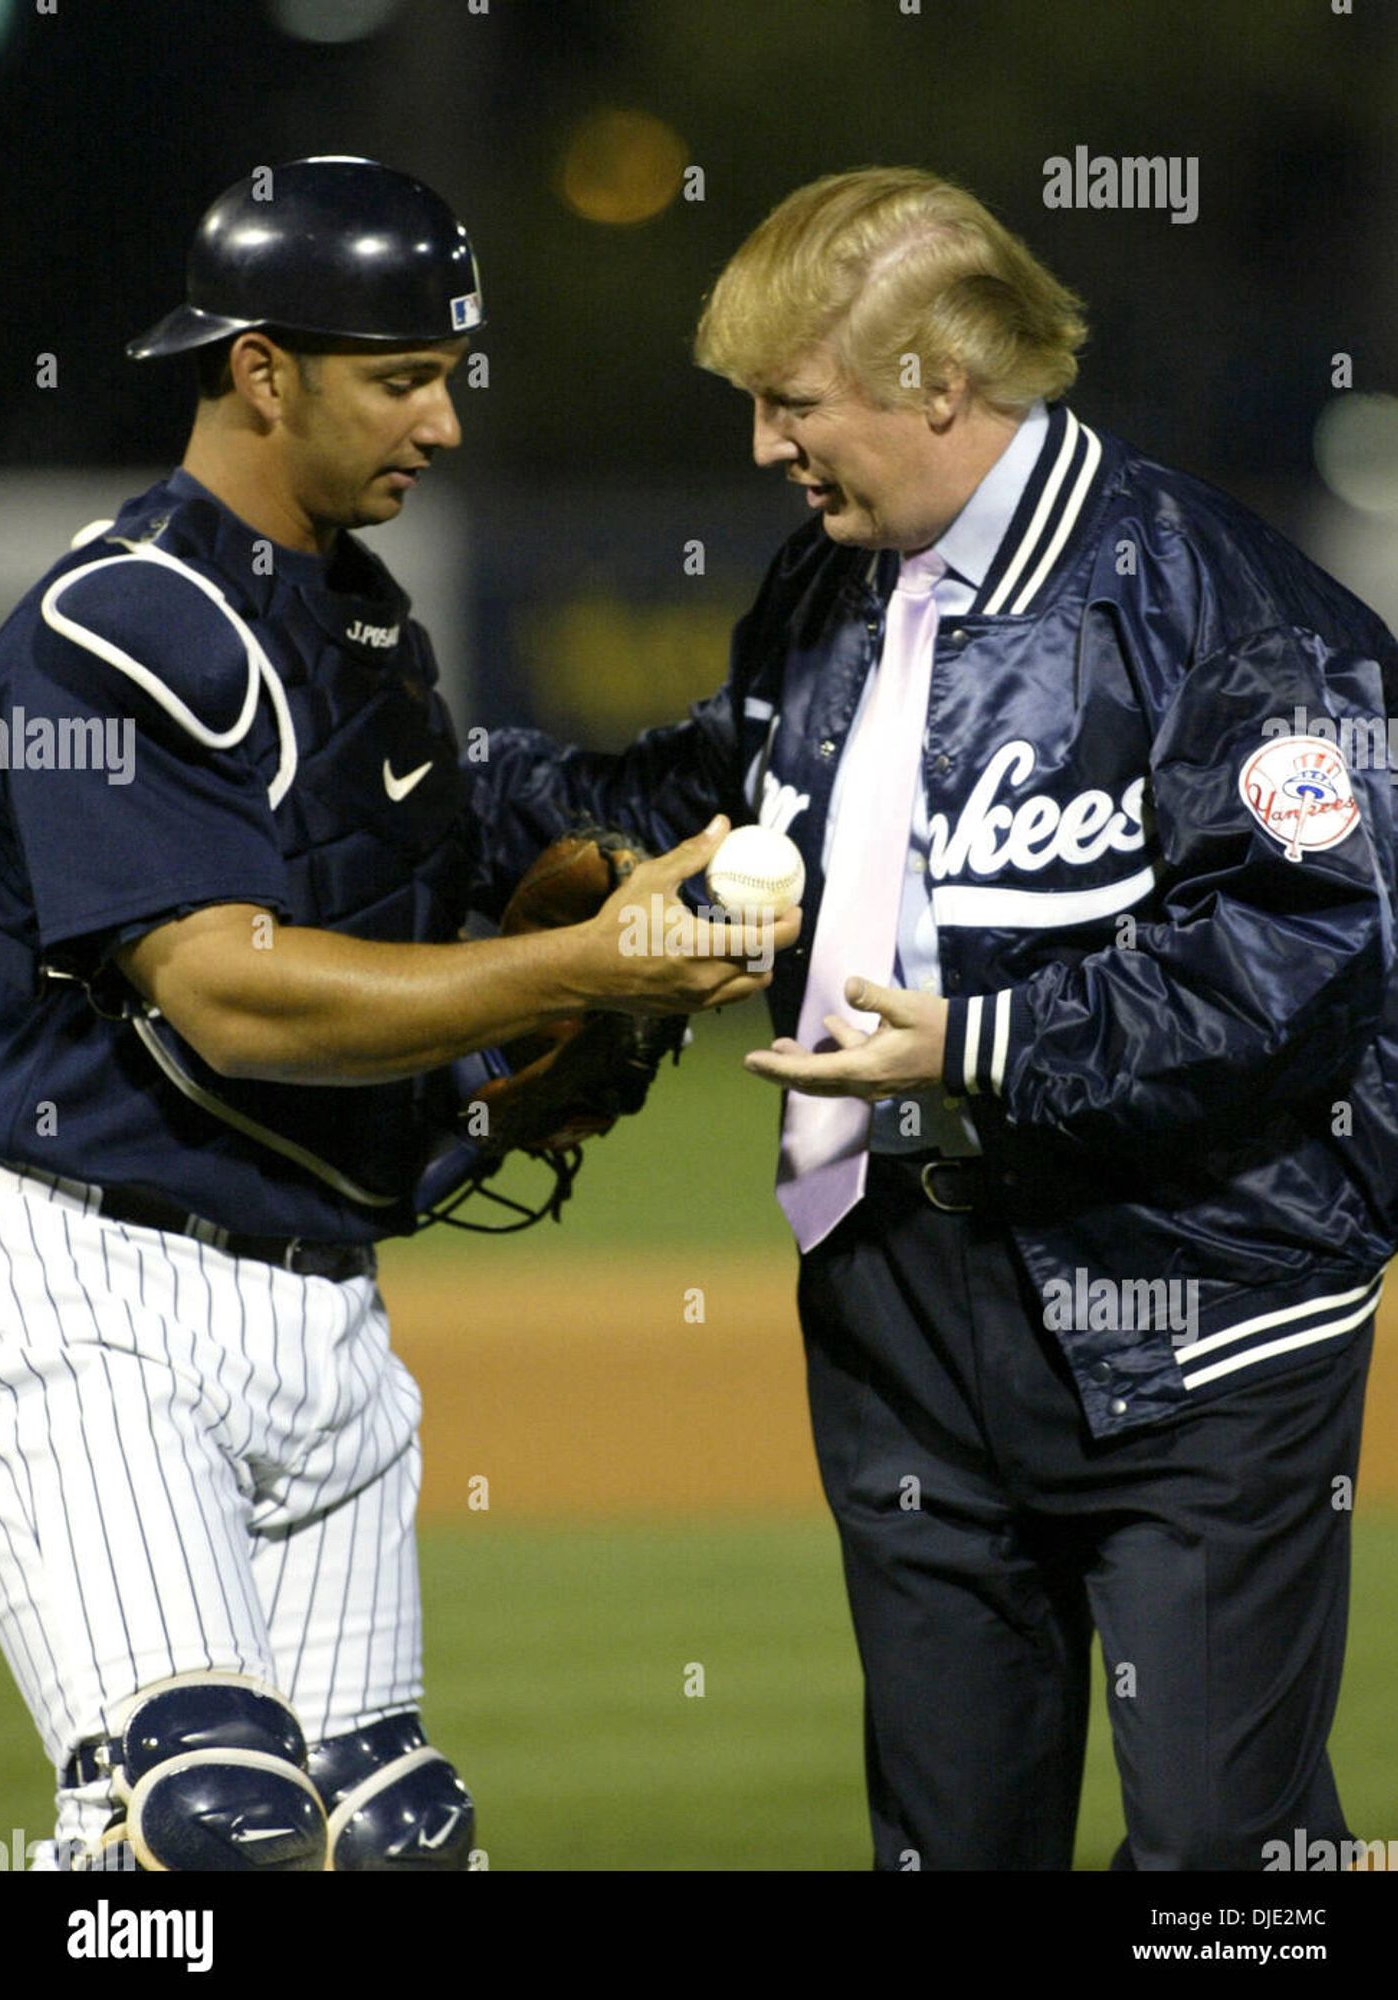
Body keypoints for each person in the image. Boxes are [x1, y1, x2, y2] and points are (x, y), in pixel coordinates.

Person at [511, 167, 1398, 1869]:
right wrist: (455, 789)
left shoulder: (1214, 599)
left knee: (1223, 1858)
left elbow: (1315, 943)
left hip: (1194, 1314)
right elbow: (705, 782)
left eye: (792, 402)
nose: (766, 447)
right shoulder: (831, 585)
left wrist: (987, 1048)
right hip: (902, 1312)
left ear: (938, 381)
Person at [0, 155, 794, 1874]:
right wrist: (588, 968)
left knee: (392, 1842)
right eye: (401, 376)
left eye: (447, 373)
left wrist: (633, 896)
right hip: (102, 1312)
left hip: (329, 1316)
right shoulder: (117, 625)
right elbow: (228, 997)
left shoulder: (362, 624)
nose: (441, 419)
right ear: (261, 370)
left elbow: (439, 873)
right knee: (195, 1830)